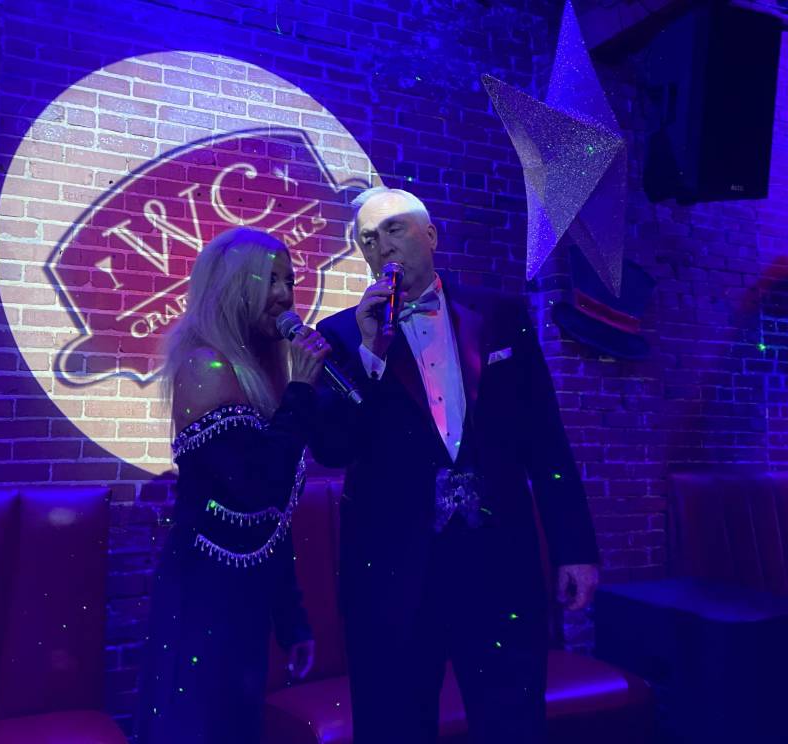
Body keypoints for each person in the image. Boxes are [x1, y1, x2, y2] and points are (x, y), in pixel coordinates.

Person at [310, 187, 600, 744]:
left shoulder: (501, 316)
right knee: (394, 726)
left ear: (431, 235)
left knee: (512, 721)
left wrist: (575, 548)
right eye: (368, 239)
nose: (382, 245)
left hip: (498, 561)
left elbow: (545, 438)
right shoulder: (342, 335)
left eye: (394, 228)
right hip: (393, 572)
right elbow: (333, 449)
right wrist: (371, 353)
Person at [135, 227, 330, 744]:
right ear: (231, 286)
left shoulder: (261, 377)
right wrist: (300, 392)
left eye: (290, 281)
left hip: (247, 601)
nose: (285, 295)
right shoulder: (206, 365)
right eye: (269, 280)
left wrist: (292, 621)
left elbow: (272, 520)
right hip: (203, 601)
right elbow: (257, 486)